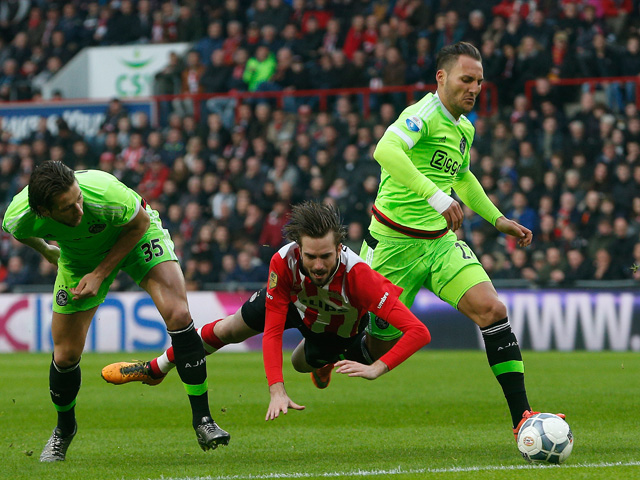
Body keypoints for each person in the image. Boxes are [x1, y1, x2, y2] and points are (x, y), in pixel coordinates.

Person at [359, 41, 563, 441]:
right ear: (442, 77)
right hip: (393, 246)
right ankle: (334, 353)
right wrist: (436, 197)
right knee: (376, 346)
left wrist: (498, 218)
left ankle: (522, 415)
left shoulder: (464, 126)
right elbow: (385, 149)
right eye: (466, 79)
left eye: (479, 82)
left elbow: (463, 177)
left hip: (439, 245)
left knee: (492, 310)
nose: (473, 88)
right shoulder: (423, 114)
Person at [101, 201, 431, 421]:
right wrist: (277, 389)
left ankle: (324, 363)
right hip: (294, 303)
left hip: (332, 327)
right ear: (299, 248)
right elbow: (272, 330)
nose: (317, 265)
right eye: (310, 256)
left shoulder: (360, 279)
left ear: (340, 249)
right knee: (230, 329)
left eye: (326, 257)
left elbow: (419, 331)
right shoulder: (284, 262)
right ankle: (156, 368)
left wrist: (378, 369)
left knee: (300, 363)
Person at [1, 162, 229, 462]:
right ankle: (64, 429)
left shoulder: (105, 191)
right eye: (68, 208)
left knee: (178, 314)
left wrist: (101, 273)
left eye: (79, 199)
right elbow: (19, 232)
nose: (79, 210)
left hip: (137, 236)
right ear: (44, 211)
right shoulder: (19, 216)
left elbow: (140, 223)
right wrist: (45, 250)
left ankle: (204, 420)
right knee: (65, 355)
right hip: (79, 257)